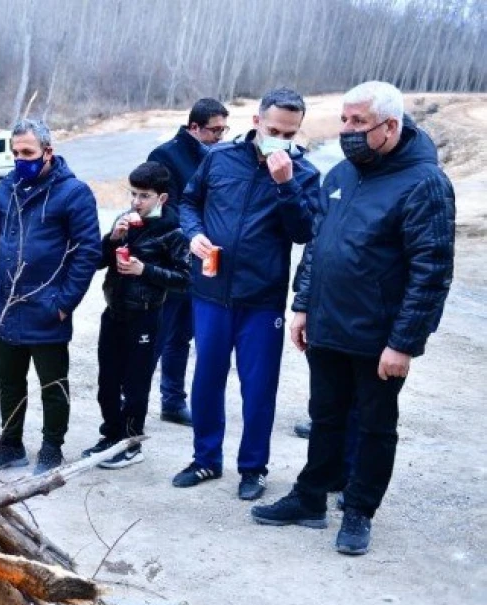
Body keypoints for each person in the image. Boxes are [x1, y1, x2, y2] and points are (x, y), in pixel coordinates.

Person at [252, 81, 455, 555]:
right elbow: (318, 246)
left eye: (358, 122)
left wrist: (404, 343)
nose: (348, 130)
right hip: (328, 325)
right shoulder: (341, 173)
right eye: (344, 120)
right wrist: (303, 306)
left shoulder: (425, 184)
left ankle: (359, 508)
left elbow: (432, 271)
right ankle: (310, 498)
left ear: (391, 126)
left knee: (374, 425)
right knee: (325, 416)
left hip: (379, 336)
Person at [174, 87, 321, 500]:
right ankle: (205, 459)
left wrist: (286, 185)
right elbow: (189, 202)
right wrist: (194, 234)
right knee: (206, 379)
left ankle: (253, 468)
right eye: (274, 128)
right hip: (210, 291)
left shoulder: (304, 173)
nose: (280, 138)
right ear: (256, 122)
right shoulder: (218, 159)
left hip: (261, 298)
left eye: (289, 133)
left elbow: (303, 232)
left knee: (258, 388)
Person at [0, 118, 102, 475]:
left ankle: (51, 448)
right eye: (15, 153)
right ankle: (11, 443)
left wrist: (63, 303)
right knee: (9, 381)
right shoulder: (7, 188)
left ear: (48, 152)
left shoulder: (73, 193)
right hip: (6, 305)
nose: (20, 159)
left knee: (52, 384)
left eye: (27, 152)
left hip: (47, 306)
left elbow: (88, 252)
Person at [81, 162, 190, 468]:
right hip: (114, 310)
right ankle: (111, 435)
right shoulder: (124, 220)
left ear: (161, 198)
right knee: (107, 380)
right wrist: (113, 239)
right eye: (133, 194)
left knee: (135, 382)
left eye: (144, 196)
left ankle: (131, 441)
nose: (136, 202)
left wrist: (146, 270)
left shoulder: (173, 230)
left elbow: (185, 278)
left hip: (145, 315)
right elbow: (99, 262)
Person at [146, 98, 230, 427]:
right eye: (214, 130)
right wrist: (184, 234)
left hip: (204, 259)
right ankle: (132, 397)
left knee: (182, 334)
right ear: (194, 127)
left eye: (224, 129)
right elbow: (154, 208)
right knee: (157, 332)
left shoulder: (221, 156)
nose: (220, 136)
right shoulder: (165, 156)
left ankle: (172, 400)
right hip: (170, 258)